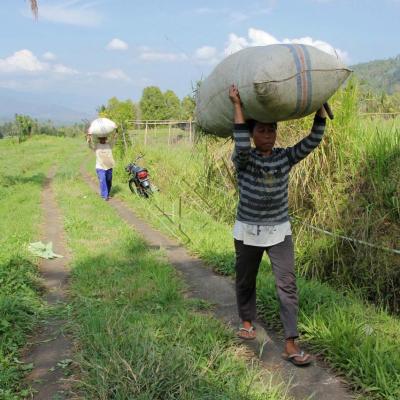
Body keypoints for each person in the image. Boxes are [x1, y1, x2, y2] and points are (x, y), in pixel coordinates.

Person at [229, 84, 327, 366]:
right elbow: (239, 141)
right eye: (261, 130)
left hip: (278, 232)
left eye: (271, 130)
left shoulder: (285, 157)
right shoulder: (244, 160)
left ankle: (291, 343)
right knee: (246, 279)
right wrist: (237, 105)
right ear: (252, 134)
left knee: (287, 284)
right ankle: (247, 321)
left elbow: (312, 141)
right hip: (248, 231)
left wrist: (319, 109)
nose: (268, 135)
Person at [87, 130, 117, 201]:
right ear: (99, 139)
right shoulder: (97, 146)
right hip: (100, 167)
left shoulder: (109, 145)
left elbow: (114, 139)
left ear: (105, 139)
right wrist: (89, 138)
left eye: (104, 139)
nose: (103, 140)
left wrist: (116, 132)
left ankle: (107, 193)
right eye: (101, 139)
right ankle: (105, 195)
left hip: (109, 166)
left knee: (109, 181)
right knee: (103, 180)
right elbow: (90, 145)